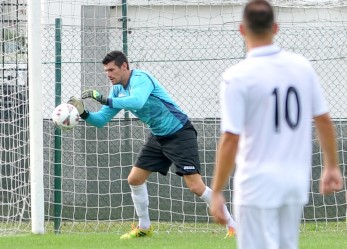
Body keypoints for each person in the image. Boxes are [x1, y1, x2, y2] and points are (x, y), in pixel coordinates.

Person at [210, 1, 343, 249]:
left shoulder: (237, 76)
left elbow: (231, 138)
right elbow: (323, 119)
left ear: (241, 29)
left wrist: (217, 190)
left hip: (256, 183)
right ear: (275, 28)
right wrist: (332, 166)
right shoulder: (302, 67)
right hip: (294, 181)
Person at [68, 50, 236, 239]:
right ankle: (144, 227)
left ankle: (233, 226)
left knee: (196, 187)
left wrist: (103, 99)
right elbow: (100, 121)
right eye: (106, 71)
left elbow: (137, 101)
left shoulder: (141, 78)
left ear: (124, 66)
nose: (108, 75)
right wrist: (83, 113)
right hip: (158, 136)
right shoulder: (117, 90)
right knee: (134, 179)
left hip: (180, 132)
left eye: (112, 70)